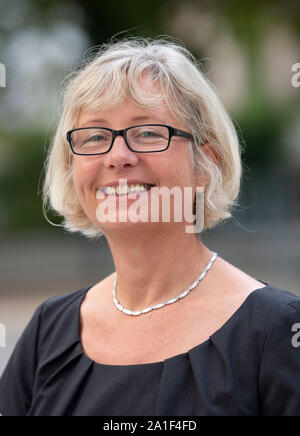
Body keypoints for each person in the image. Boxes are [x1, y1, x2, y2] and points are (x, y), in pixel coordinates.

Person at [0, 37, 299, 416]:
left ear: (204, 164)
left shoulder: (277, 330)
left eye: (148, 133)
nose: (117, 157)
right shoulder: (49, 331)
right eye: (95, 136)